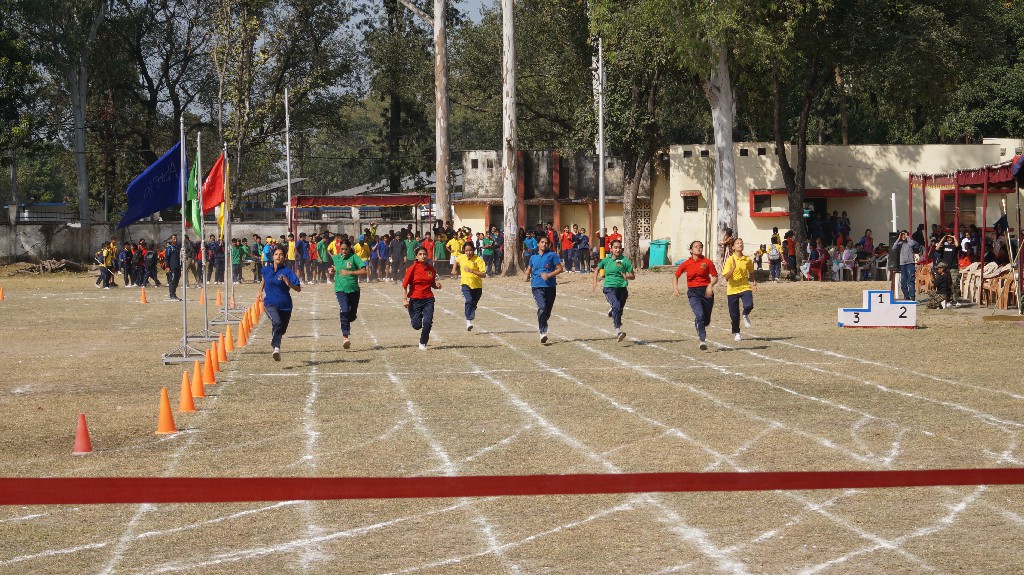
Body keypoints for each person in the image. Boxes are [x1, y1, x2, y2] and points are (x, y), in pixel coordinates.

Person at [672, 240, 718, 350]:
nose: (699, 248)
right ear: (691, 250)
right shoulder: (686, 263)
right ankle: (702, 340)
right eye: (696, 246)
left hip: (706, 291)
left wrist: (710, 285)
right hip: (693, 292)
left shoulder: (707, 262)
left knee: (706, 320)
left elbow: (715, 276)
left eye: (700, 246)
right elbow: (676, 276)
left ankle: (699, 322)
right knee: (700, 315)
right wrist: (675, 288)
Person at [259, 246, 302, 361]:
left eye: (281, 254)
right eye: (276, 254)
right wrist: (260, 292)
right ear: (273, 256)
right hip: (270, 303)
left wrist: (289, 284)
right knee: (277, 322)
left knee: (281, 330)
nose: (279, 256)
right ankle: (276, 348)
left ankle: (275, 339)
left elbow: (298, 288)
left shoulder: (288, 272)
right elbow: (264, 279)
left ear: (285, 257)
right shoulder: (265, 269)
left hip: (286, 306)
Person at [327, 238, 367, 349]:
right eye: (342, 249)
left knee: (351, 315)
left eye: (346, 249)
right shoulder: (335, 258)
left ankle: (350, 317)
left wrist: (350, 272)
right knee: (344, 311)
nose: (344, 251)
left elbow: (364, 270)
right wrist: (332, 270)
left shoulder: (354, 258)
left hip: (354, 290)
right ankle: (345, 337)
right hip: (340, 289)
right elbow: (334, 267)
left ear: (349, 249)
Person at [593, 238, 635, 342]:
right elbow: (597, 269)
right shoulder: (606, 260)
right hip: (609, 288)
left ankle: (613, 311)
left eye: (619, 248)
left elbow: (632, 276)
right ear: (611, 249)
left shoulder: (624, 261)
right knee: (616, 305)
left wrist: (626, 276)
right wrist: (595, 281)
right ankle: (618, 331)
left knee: (619, 310)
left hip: (622, 289)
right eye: (615, 248)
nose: (617, 250)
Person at [524, 235, 564, 343]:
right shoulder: (533, 257)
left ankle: (542, 320)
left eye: (546, 243)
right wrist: (527, 274)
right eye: (542, 242)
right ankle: (542, 332)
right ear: (538, 244)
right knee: (542, 307)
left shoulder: (552, 255)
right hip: (537, 286)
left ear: (549, 244)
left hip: (550, 287)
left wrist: (549, 275)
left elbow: (560, 269)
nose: (544, 244)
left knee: (547, 311)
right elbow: (529, 268)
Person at [402, 246, 442, 349]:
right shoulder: (412, 268)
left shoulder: (431, 269)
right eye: (420, 254)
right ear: (417, 256)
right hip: (415, 299)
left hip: (428, 299)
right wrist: (404, 299)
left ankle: (423, 342)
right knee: (416, 325)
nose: (423, 256)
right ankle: (411, 310)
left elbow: (432, 283)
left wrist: (436, 285)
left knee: (428, 321)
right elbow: (404, 285)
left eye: (424, 254)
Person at [722, 238, 756, 341]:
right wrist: (732, 268)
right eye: (737, 243)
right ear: (733, 247)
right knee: (734, 314)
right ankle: (736, 332)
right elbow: (726, 277)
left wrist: (754, 281)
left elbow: (751, 271)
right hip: (732, 289)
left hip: (745, 286)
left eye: (741, 243)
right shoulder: (730, 260)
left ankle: (745, 314)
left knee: (749, 305)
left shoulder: (747, 259)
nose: (740, 244)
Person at [456, 241, 487, 331]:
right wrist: (454, 269)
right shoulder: (462, 257)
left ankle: (470, 314)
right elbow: (456, 261)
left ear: (473, 250)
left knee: (473, 303)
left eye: (470, 250)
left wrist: (472, 271)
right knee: (469, 300)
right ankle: (468, 320)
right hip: (465, 283)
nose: (468, 252)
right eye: (466, 251)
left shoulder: (478, 260)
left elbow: (483, 274)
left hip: (477, 286)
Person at [892, 229, 920, 300]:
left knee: (911, 281)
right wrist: (898, 238)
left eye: (904, 234)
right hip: (902, 264)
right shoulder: (899, 243)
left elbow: (913, 244)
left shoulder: (910, 242)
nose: (903, 236)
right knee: (903, 282)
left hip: (910, 263)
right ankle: (906, 296)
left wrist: (907, 237)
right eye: (902, 235)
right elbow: (893, 248)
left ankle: (912, 297)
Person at [165, 234, 182, 301]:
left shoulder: (178, 247)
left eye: (176, 238)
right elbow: (166, 258)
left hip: (178, 266)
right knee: (172, 280)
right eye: (174, 238)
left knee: (177, 280)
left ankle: (174, 294)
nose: (175, 239)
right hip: (172, 267)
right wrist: (167, 267)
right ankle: (171, 295)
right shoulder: (169, 248)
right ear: (171, 240)